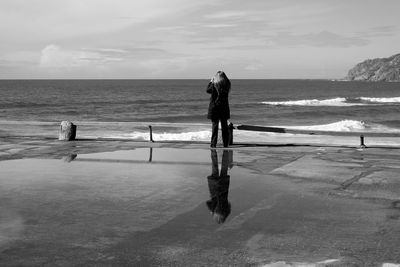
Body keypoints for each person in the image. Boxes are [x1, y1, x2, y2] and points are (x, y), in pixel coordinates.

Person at [206, 150, 232, 224]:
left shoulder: (226, 209)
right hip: (214, 185)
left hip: (223, 185)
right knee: (214, 165)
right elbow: (208, 203)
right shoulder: (213, 208)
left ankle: (225, 152)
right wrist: (211, 211)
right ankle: (214, 151)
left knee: (224, 167)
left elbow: (229, 204)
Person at [206, 71, 231, 148]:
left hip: (215, 107)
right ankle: (225, 144)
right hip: (224, 107)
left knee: (215, 126)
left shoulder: (214, 85)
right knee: (224, 126)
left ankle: (213, 144)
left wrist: (211, 82)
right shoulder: (227, 84)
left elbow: (208, 90)